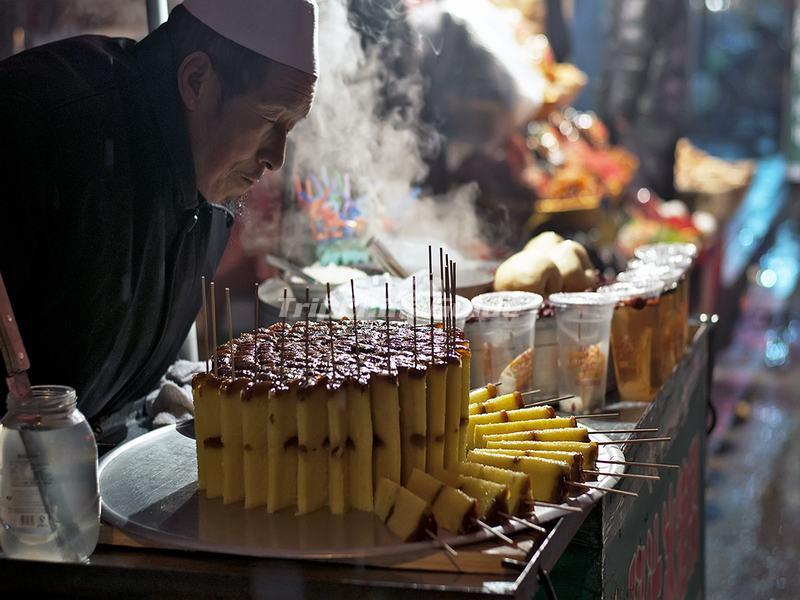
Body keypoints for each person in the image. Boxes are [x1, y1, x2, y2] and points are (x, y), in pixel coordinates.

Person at [0, 0, 318, 431]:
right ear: (196, 80)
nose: (276, 157)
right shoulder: (47, 124)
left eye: (291, 128)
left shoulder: (214, 167)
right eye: (268, 118)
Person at [597, 0, 688, 199]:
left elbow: (633, 46)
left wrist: (621, 107)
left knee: (641, 196)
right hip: (662, 104)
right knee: (655, 195)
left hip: (645, 111)